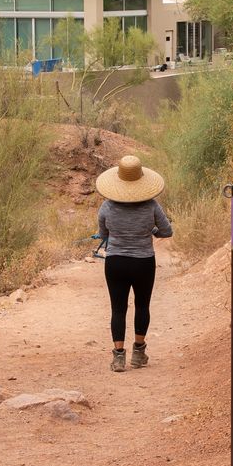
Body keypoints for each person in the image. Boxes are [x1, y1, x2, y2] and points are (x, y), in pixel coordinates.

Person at [94, 155, 172, 372]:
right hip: (143, 262)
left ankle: (118, 358)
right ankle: (139, 353)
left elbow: (103, 234)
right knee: (142, 305)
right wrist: (150, 230)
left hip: (116, 262)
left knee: (117, 309)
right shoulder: (151, 206)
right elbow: (167, 231)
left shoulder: (107, 207)